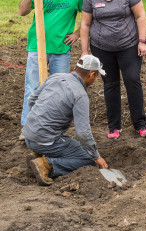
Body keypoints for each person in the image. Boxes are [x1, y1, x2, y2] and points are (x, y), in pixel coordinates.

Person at [80, 0, 146, 139]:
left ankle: (140, 124)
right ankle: (114, 127)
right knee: (110, 84)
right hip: (101, 47)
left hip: (129, 45)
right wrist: (84, 51)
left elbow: (140, 16)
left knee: (132, 80)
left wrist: (142, 41)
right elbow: (85, 24)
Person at [19, 0, 85, 140]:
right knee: (32, 88)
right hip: (36, 47)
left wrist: (77, 33)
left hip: (61, 50)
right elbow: (22, 11)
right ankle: (27, 127)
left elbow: (89, 17)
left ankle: (53, 129)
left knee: (59, 90)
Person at [23, 55, 108, 186]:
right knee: (88, 159)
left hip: (28, 135)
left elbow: (32, 100)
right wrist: (96, 156)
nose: (96, 79)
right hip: (45, 141)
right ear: (91, 74)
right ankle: (46, 165)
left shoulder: (56, 77)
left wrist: (37, 123)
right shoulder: (80, 94)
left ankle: (39, 156)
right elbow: (83, 133)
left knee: (69, 144)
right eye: (97, 76)